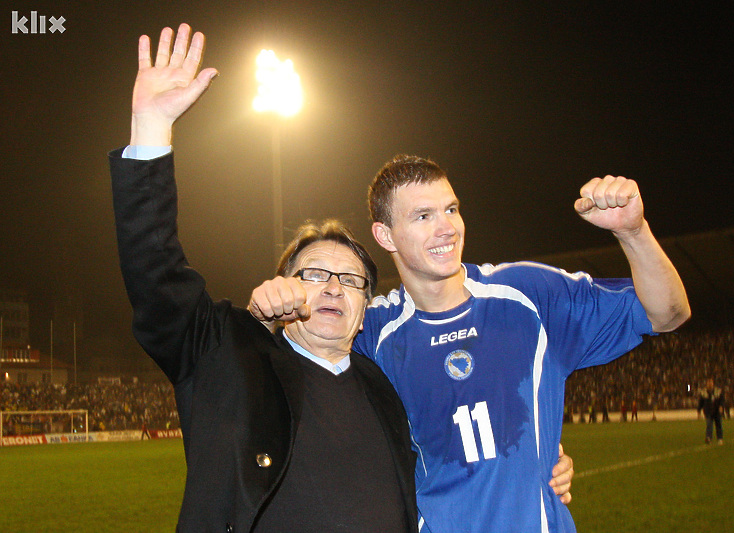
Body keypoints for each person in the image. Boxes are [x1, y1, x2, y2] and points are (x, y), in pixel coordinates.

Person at [111, 24, 573, 532]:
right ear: (283, 285)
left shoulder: (382, 385)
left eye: (352, 280)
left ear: (364, 311)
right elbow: (156, 278)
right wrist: (150, 129)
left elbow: (449, 448)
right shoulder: (230, 360)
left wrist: (540, 459)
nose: (334, 287)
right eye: (315, 274)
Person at [253, 151, 690, 531]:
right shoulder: (372, 329)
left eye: (451, 209)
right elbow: (286, 361)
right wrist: (266, 312)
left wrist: (633, 231)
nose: (446, 227)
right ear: (385, 235)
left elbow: (668, 314)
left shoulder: (528, 296)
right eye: (423, 216)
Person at [697, 378, 724, 444]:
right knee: (709, 424)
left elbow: (722, 400)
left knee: (718, 424)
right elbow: (701, 402)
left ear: (713, 383)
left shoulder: (718, 391)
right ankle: (708, 438)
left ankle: (720, 438)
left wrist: (721, 406)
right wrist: (699, 411)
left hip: (717, 411)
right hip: (708, 411)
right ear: (706, 384)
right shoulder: (703, 392)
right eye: (708, 383)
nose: (709, 384)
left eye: (711, 383)